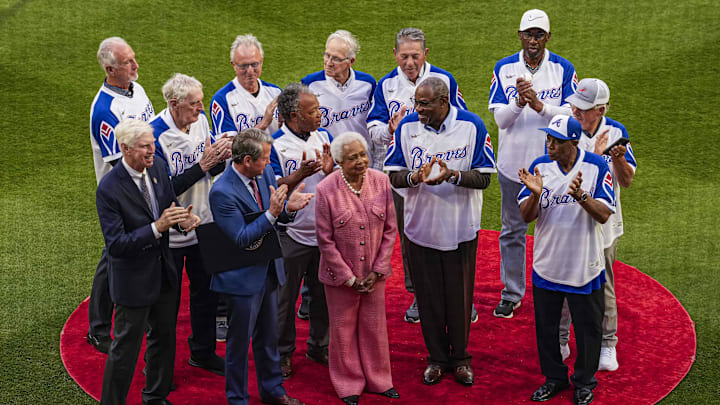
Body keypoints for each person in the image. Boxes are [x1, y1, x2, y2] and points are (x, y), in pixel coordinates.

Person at [384, 78, 496, 387]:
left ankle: (460, 358)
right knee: (429, 298)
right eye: (417, 103)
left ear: (444, 102)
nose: (417, 109)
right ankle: (436, 358)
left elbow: (485, 177)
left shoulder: (472, 126)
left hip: (461, 228)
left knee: (459, 298)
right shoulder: (407, 128)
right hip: (420, 227)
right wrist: (415, 176)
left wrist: (453, 175)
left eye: (424, 104)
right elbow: (393, 175)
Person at [366, 27, 475, 324]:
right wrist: (392, 129)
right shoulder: (386, 85)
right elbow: (372, 130)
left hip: (447, 171)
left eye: (415, 56)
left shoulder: (444, 80)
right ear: (395, 54)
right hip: (409, 177)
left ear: (426, 54)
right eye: (404, 56)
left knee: (458, 233)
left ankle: (462, 295)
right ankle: (418, 294)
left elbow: (463, 122)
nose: (409, 62)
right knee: (411, 235)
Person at [96, 118, 200, 405]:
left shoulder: (157, 167)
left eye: (153, 144)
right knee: (126, 350)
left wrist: (182, 221)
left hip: (164, 273)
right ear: (125, 149)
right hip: (133, 282)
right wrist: (159, 228)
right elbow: (116, 246)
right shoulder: (109, 189)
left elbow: (168, 205)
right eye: (145, 147)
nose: (152, 150)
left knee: (164, 340)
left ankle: (155, 397)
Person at [209, 128, 312, 405]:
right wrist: (274, 213)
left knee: (269, 338)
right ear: (245, 160)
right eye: (265, 158)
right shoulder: (221, 192)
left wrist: (289, 209)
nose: (269, 164)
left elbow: (274, 216)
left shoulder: (263, 174)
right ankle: (238, 399)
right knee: (239, 346)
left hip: (268, 270)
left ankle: (273, 391)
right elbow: (241, 238)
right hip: (241, 280)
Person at [517, 114, 615, 405]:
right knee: (546, 330)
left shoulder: (596, 166)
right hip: (547, 263)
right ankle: (554, 379)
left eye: (556, 141)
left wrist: (582, 196)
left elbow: (604, 214)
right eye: (547, 139)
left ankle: (584, 382)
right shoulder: (540, 167)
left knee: (588, 330)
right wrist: (535, 195)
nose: (549, 145)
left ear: (573, 142)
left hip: (584, 265)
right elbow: (526, 217)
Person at [489, 9, 578, 319]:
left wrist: (540, 106)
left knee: (554, 230)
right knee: (512, 230)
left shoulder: (563, 69)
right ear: (520, 36)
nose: (533, 40)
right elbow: (500, 118)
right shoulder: (503, 68)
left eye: (539, 34)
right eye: (529, 34)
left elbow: (572, 116)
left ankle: (552, 291)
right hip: (513, 164)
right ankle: (512, 293)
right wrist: (518, 102)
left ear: (548, 37)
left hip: (552, 167)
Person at [150, 73, 233, 375]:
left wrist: (224, 156)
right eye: (194, 103)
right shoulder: (155, 135)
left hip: (204, 223)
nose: (201, 108)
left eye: (201, 101)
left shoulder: (199, 121)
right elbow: (160, 189)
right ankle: (159, 368)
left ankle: (203, 352)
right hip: (170, 233)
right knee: (166, 306)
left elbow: (211, 169)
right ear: (174, 105)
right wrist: (203, 165)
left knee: (207, 295)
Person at [557, 79, 637, 371]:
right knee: (563, 281)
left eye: (584, 108)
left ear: (600, 109)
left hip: (604, 224)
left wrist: (616, 160)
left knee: (604, 286)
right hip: (569, 220)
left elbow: (626, 181)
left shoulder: (617, 133)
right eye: (575, 105)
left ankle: (607, 344)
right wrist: (598, 157)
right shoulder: (564, 126)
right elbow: (561, 173)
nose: (576, 111)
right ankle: (562, 339)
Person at [315, 132, 399, 405]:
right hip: (341, 279)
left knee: (375, 328)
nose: (362, 161)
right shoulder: (325, 190)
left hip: (375, 275)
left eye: (363, 154)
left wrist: (378, 269)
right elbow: (325, 241)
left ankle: (379, 380)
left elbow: (390, 229)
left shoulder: (381, 181)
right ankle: (348, 384)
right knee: (343, 330)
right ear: (338, 160)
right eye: (353, 158)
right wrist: (349, 279)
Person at [88, 36, 155, 354]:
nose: (136, 65)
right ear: (110, 68)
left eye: (134, 58)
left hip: (146, 182)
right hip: (120, 192)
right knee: (113, 256)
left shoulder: (137, 90)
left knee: (138, 249)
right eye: (129, 62)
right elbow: (120, 163)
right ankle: (98, 327)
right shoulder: (105, 108)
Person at [269, 83, 333, 378]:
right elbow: (267, 185)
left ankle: (319, 346)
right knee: (285, 298)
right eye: (313, 111)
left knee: (323, 295)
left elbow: (335, 181)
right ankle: (282, 354)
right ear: (295, 115)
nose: (319, 115)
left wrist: (332, 171)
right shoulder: (274, 144)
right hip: (289, 234)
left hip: (323, 232)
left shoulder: (324, 137)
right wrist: (299, 175)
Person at [301, 30, 377, 164]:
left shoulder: (367, 84)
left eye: (335, 58)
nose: (328, 62)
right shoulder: (310, 84)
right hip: (327, 166)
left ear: (351, 61)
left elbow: (375, 124)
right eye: (327, 55)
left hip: (362, 163)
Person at [210, 34, 281, 137]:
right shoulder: (222, 100)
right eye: (244, 66)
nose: (250, 71)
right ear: (233, 65)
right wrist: (263, 124)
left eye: (254, 64)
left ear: (262, 61)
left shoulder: (276, 92)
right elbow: (227, 148)